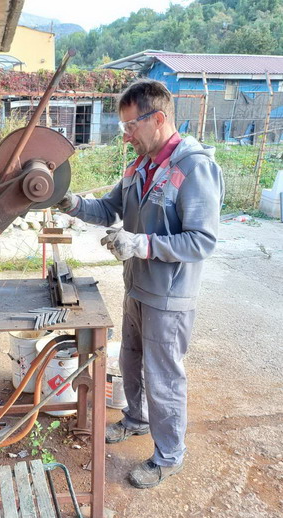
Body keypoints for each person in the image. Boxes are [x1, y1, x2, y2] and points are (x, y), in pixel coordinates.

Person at [57, 79, 224, 489]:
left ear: (158, 118)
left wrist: (141, 243)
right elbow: (108, 209)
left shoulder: (194, 168)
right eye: (124, 127)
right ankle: (135, 419)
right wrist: (68, 201)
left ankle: (169, 455)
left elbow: (202, 240)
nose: (126, 135)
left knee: (164, 377)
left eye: (131, 126)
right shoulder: (140, 166)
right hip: (137, 287)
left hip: (169, 295)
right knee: (130, 361)